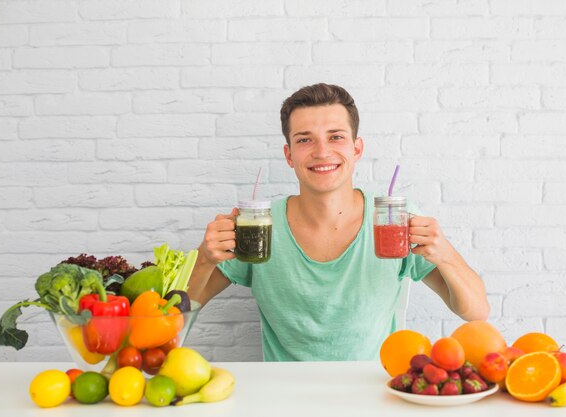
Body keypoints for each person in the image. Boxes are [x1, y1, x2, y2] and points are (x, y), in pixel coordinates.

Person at [187, 83, 489, 361]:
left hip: (375, 396)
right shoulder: (257, 227)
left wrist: (445, 253)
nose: (321, 152)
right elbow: (175, 321)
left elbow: (476, 311)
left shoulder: (394, 218)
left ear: (356, 149)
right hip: (285, 398)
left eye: (336, 137)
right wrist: (203, 259)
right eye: (305, 139)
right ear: (289, 155)